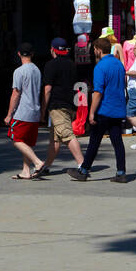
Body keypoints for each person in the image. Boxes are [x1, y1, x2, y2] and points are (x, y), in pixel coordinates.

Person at [71, 36, 129, 183]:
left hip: (104, 109)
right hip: (118, 108)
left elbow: (98, 92)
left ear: (97, 50)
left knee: (94, 142)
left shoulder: (100, 67)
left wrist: (91, 113)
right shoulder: (119, 64)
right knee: (117, 142)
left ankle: (83, 171)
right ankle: (121, 172)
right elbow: (124, 83)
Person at [42, 37, 85, 171]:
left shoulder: (50, 65)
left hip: (57, 105)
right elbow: (79, 85)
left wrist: (42, 109)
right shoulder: (72, 64)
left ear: (52, 50)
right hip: (69, 104)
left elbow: (47, 89)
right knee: (54, 139)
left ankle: (83, 165)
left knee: (66, 135)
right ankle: (46, 166)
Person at [5, 42, 46, 179]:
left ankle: (37, 162)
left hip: (23, 112)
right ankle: (26, 170)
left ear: (18, 54)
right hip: (35, 111)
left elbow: (16, 94)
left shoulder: (19, 71)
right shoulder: (37, 70)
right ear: (32, 54)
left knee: (15, 139)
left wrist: (9, 114)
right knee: (26, 142)